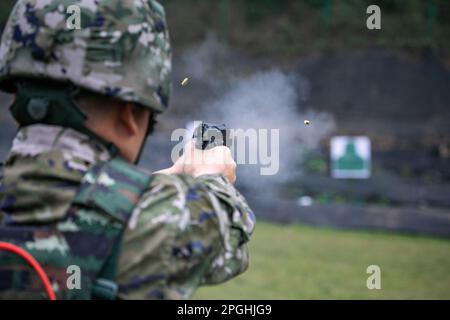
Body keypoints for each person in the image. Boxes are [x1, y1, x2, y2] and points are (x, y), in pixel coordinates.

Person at [0, 0, 255, 300]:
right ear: (130, 115)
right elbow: (226, 236)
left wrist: (139, 189)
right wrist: (213, 178)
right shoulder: (163, 222)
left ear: (17, 93)